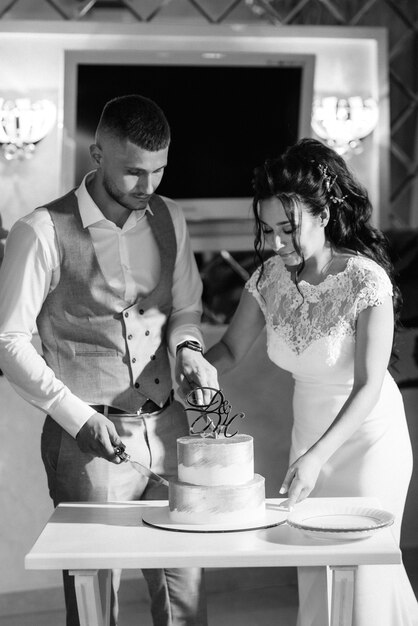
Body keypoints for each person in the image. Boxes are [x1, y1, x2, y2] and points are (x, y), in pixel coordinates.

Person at [0, 94, 218, 626]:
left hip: (169, 426)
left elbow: (185, 307)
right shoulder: (41, 230)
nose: (148, 187)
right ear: (96, 153)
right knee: (96, 606)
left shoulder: (171, 217)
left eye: (159, 170)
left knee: (185, 593)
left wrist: (188, 349)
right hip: (87, 440)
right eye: (134, 173)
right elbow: (9, 341)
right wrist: (76, 417)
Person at [203, 138, 418, 625]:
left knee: (364, 577)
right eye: (268, 230)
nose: (277, 243)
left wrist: (318, 456)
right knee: (317, 572)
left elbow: (368, 384)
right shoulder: (268, 280)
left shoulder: (367, 281)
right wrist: (195, 362)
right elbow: (232, 349)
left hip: (368, 441)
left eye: (288, 229)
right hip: (310, 437)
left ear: (323, 215)